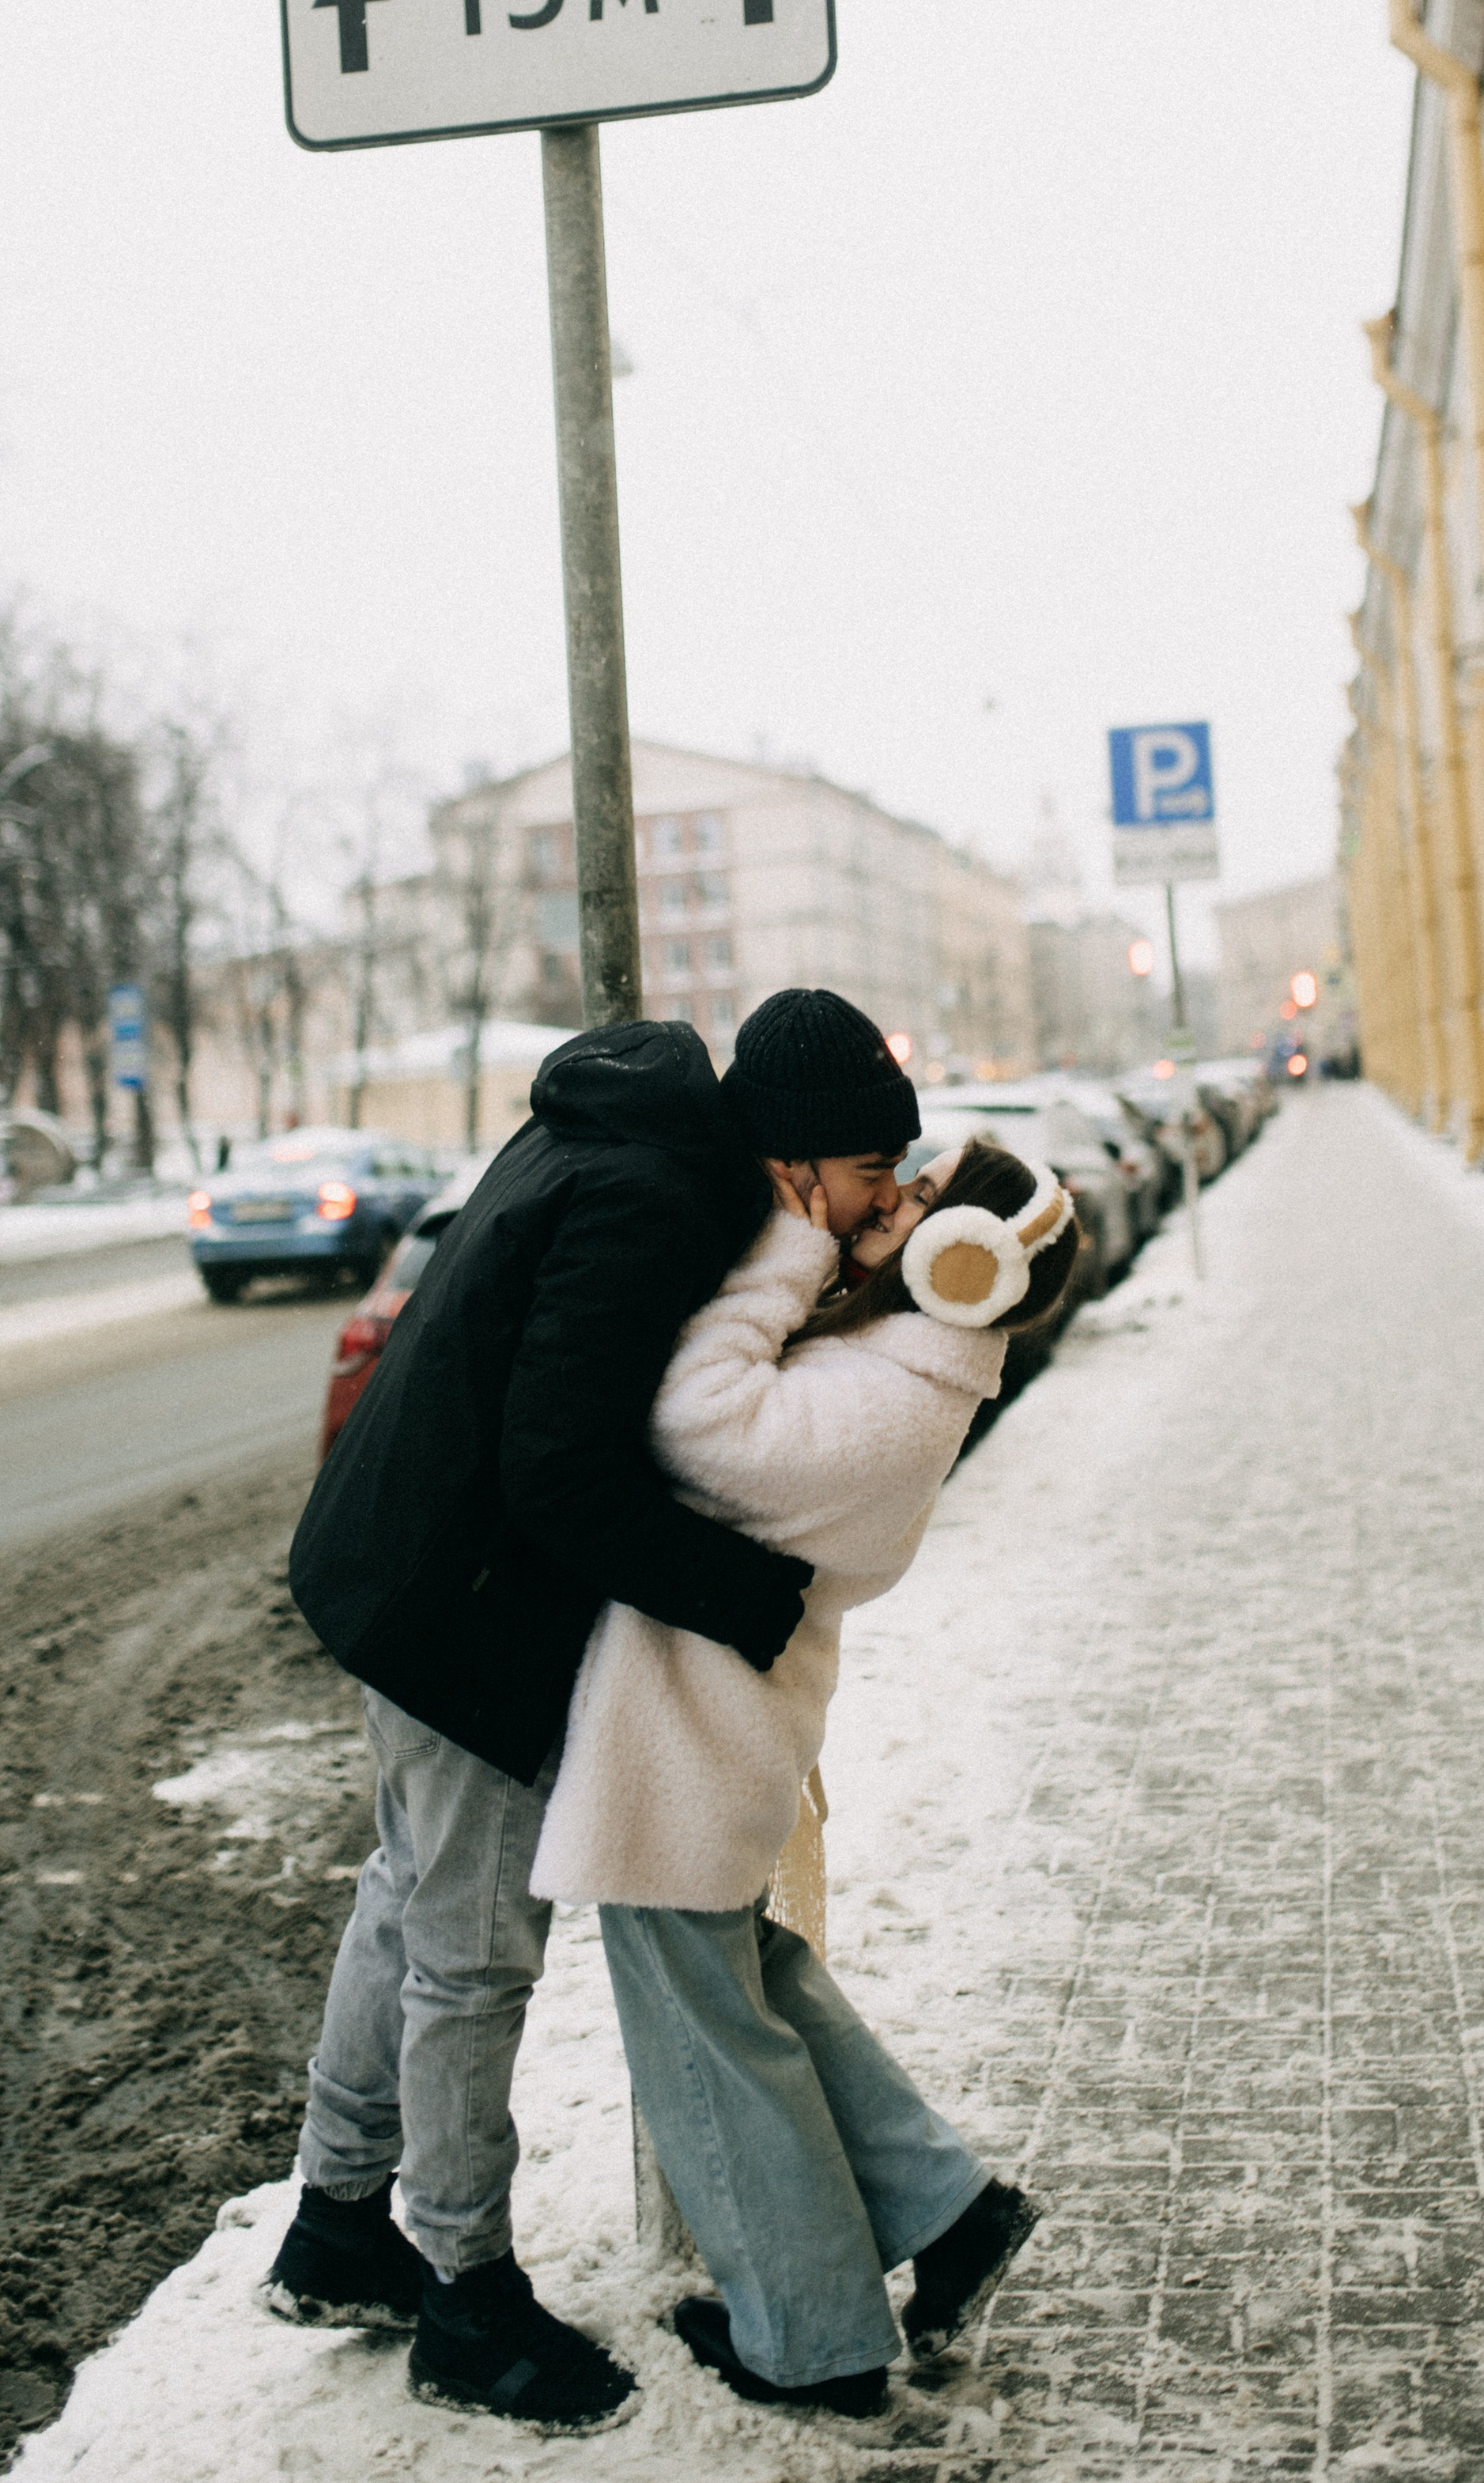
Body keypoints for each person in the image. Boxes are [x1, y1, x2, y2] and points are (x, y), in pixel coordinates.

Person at [266, 992, 922, 2433]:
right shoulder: (661, 1198)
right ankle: (463, 2295)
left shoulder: (645, 1138)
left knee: (412, 1893)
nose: (887, 1202)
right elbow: (562, 1468)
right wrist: (751, 1601)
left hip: (407, 1560)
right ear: (802, 1158)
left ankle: (336, 2222)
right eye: (874, 1175)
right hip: (463, 1601)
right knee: (471, 1949)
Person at [531, 1136, 1082, 2417]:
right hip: (701, 1715)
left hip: (693, 1729)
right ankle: (948, 2213)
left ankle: (813, 2337)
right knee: (748, 1978)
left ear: (972, 1260)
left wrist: (785, 1254)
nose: (895, 1200)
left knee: (702, 2024)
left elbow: (692, 1420)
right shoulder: (901, 1360)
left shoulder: (896, 1394)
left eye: (929, 1199)